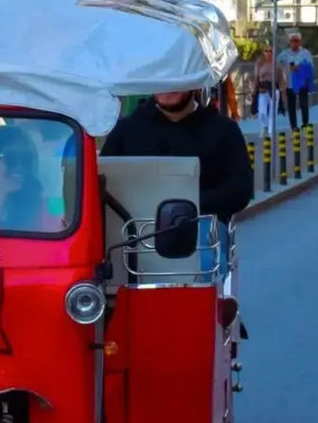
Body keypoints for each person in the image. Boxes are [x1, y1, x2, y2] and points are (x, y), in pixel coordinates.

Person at [101, 89, 254, 283]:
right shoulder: (126, 130)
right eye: (162, 80)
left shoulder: (223, 130)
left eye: (176, 81)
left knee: (204, 261)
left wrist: (190, 206)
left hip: (199, 229)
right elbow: (102, 182)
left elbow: (241, 188)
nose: (167, 88)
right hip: (133, 230)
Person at [277, 31, 315, 128]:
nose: (294, 43)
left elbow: (311, 66)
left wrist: (300, 67)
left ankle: (305, 124)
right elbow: (277, 62)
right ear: (289, 42)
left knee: (304, 105)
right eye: (292, 41)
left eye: (296, 40)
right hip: (290, 83)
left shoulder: (306, 53)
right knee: (291, 106)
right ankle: (293, 127)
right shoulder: (285, 54)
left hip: (302, 83)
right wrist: (284, 70)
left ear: (300, 42)